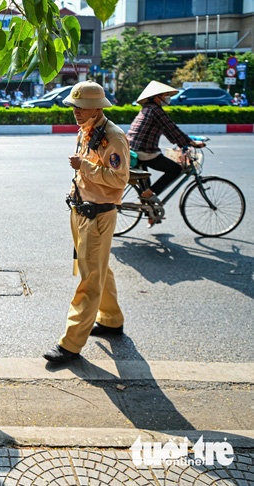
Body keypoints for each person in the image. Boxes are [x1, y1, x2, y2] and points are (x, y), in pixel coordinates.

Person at [43, 81, 130, 363]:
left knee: (89, 278)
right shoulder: (88, 131)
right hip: (81, 211)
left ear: (97, 108)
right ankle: (112, 320)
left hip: (98, 214)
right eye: (73, 106)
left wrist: (85, 166)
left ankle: (70, 344)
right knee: (97, 268)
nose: (75, 112)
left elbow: (120, 178)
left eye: (80, 107)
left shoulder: (113, 138)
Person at [127, 81, 206, 225]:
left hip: (134, 150)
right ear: (157, 97)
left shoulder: (147, 108)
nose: (168, 98)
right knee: (175, 169)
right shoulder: (156, 110)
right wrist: (191, 143)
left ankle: (151, 214)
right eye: (166, 95)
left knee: (146, 186)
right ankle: (149, 197)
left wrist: (184, 141)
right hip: (144, 152)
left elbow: (169, 132)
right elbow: (172, 128)